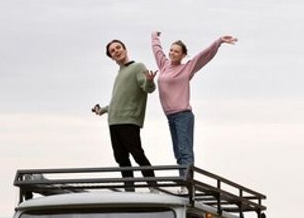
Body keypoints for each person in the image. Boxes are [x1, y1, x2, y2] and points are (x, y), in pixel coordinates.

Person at [151, 30, 238, 170]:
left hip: (183, 115)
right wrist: (154, 36)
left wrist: (219, 42)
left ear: (183, 55)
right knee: (178, 153)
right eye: (171, 50)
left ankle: (186, 184)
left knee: (185, 152)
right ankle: (183, 182)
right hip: (170, 116)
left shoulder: (187, 68)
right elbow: (157, 50)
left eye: (176, 51)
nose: (172, 53)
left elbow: (203, 56)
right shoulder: (164, 65)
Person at [92, 39, 157, 190]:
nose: (116, 51)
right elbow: (118, 101)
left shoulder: (137, 67)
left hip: (129, 120)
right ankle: (129, 190)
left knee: (137, 154)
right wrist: (101, 110)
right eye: (112, 51)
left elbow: (148, 89)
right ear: (112, 57)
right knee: (121, 158)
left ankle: (154, 187)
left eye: (118, 48)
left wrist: (149, 81)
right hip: (113, 121)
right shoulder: (120, 73)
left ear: (125, 49)